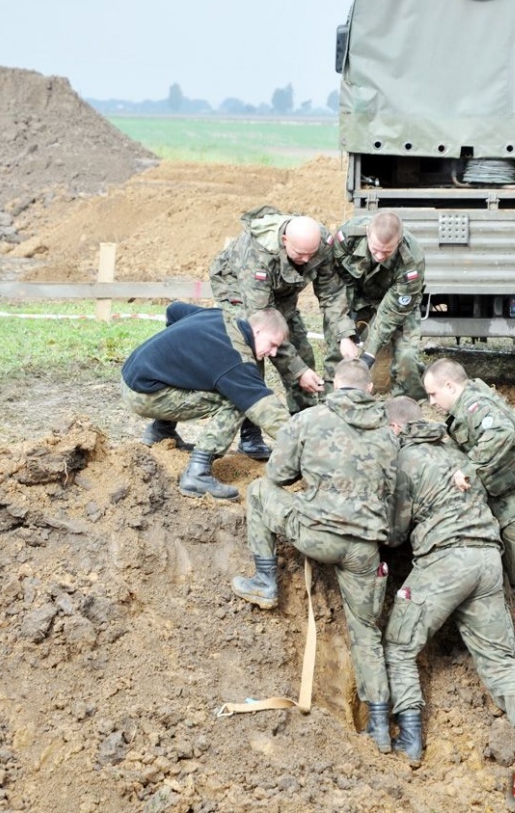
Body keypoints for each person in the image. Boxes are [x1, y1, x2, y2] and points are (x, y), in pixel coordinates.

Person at [383, 396, 515, 770]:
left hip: (446, 562)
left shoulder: (404, 459)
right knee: (498, 660)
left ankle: (411, 741)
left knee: (400, 647)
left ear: (396, 428)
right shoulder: (456, 450)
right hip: (487, 560)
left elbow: (396, 532)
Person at [231, 358, 399, 752]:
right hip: (364, 549)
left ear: (332, 386)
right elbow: (391, 491)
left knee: (257, 493)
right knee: (367, 634)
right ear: (370, 390)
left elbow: (276, 476)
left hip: (317, 535)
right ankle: (378, 727)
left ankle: (265, 580)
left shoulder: (309, 420)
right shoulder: (390, 434)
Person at [422, 358, 515, 651]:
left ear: (450, 385)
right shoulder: (466, 406)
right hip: (514, 499)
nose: (430, 401)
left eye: (433, 394)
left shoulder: (475, 406)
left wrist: (470, 469)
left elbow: (501, 431)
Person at [209, 205, 358, 460]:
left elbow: (331, 292)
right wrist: (297, 370)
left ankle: (304, 430)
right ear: (284, 240)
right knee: (253, 359)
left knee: (302, 352)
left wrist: (345, 334)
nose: (307, 261)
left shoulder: (318, 244)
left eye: (311, 255)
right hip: (238, 293)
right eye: (300, 254)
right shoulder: (256, 255)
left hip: (281, 298)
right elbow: (260, 318)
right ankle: (250, 435)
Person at [121, 302, 291, 501]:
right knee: (235, 401)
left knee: (203, 374)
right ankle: (198, 473)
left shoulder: (220, 316)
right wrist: (304, 443)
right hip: (144, 395)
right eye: (272, 345)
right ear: (259, 330)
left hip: (132, 375)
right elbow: (266, 410)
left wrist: (175, 354)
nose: (272, 353)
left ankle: (161, 431)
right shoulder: (235, 357)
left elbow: (174, 310)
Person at [332, 211, 426, 400]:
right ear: (368, 233)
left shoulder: (411, 261)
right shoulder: (346, 239)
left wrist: (368, 355)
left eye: (387, 251)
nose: (380, 256)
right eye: (375, 249)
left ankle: (408, 405)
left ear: (399, 241)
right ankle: (333, 398)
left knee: (407, 359)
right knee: (336, 346)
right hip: (357, 296)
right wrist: (345, 332)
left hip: (398, 302)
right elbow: (336, 288)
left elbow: (390, 313)